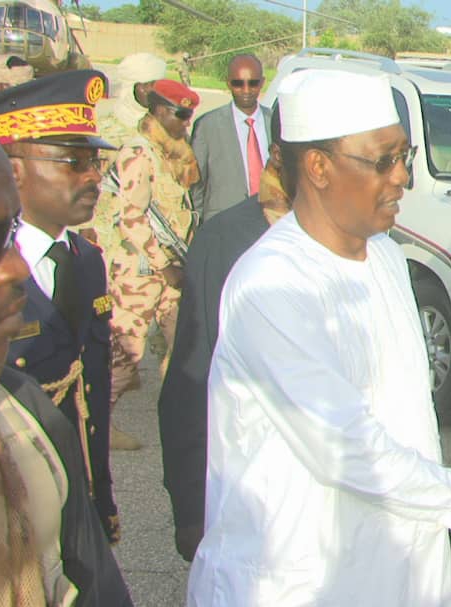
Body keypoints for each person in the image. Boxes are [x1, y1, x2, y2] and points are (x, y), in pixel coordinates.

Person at [187, 69, 451, 607]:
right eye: (383, 161)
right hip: (298, 578)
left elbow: (411, 423)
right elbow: (347, 448)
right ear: (318, 167)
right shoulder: (273, 285)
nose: (402, 177)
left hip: (396, 566)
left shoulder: (385, 253)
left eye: (404, 156)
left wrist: (442, 537)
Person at [0, 100, 132, 606]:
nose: (14, 269)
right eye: (72, 162)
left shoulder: (21, 413)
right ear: (16, 169)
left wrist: (99, 497)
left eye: (94, 163)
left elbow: (90, 391)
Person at [157, 103, 289, 562]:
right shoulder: (227, 240)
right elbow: (192, 381)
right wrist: (191, 507)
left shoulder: (374, 247)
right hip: (251, 497)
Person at [106, 78, 200, 451]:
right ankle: (98, 426)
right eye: (181, 114)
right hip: (140, 272)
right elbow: (131, 218)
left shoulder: (170, 153)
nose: (186, 122)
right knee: (126, 355)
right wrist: (163, 264)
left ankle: (180, 421)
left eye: (189, 115)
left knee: (182, 349)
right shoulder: (138, 153)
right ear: (160, 111)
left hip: (171, 269)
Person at [78, 53, 167, 258]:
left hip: (155, 231)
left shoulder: (166, 128)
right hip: (111, 231)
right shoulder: (103, 130)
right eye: (148, 85)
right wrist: (86, 224)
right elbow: (86, 178)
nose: (154, 92)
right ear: (134, 86)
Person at [190, 53, 272, 221]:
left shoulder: (276, 122)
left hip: (269, 221)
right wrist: (199, 225)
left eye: (253, 83)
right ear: (228, 83)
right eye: (238, 83)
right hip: (223, 222)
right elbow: (197, 184)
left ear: (262, 83)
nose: (246, 90)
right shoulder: (207, 126)